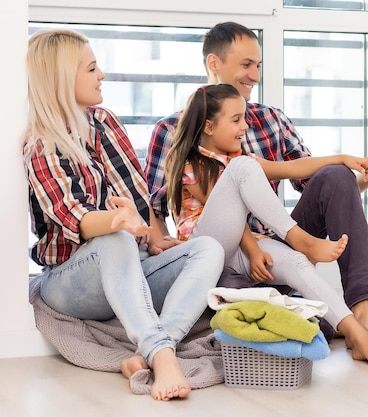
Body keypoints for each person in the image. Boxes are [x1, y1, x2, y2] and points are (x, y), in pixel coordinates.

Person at [145, 22, 368, 361]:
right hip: (219, 255)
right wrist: (166, 264)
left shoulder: (270, 120)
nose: (255, 75)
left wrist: (362, 170)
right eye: (246, 65)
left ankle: (362, 317)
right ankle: (333, 317)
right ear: (214, 64)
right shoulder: (174, 133)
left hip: (271, 246)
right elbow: (153, 207)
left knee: (336, 175)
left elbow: (313, 181)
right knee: (273, 310)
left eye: (258, 66)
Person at [23, 29, 225, 401]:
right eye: (92, 68)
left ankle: (144, 353)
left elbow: (135, 191)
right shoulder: (42, 143)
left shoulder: (104, 121)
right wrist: (120, 222)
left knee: (208, 248)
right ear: (62, 78)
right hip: (70, 282)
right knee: (114, 239)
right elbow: (78, 220)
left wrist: (151, 234)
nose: (102, 75)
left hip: (133, 260)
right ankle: (164, 358)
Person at [164, 83, 368, 367]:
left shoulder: (240, 159)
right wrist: (253, 249)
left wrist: (343, 159)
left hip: (242, 249)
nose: (245, 126)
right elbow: (228, 218)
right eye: (236, 119)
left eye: (245, 118)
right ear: (209, 127)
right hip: (207, 250)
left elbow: (292, 168)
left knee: (297, 264)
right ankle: (301, 238)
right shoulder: (191, 162)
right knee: (243, 171)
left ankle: (358, 336)